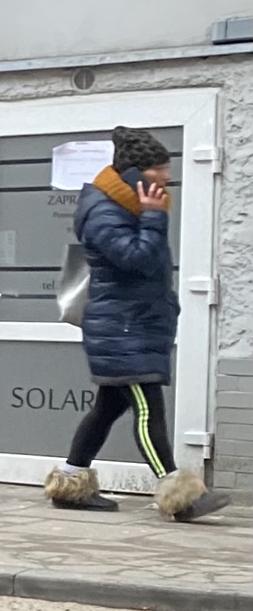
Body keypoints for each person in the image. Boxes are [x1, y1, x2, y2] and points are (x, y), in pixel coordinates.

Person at [43, 127, 228, 520]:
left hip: (131, 324)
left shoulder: (124, 206)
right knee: (148, 410)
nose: (167, 178)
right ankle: (181, 496)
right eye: (160, 171)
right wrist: (153, 218)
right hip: (121, 328)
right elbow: (137, 260)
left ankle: (71, 483)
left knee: (108, 408)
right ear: (136, 174)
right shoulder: (105, 211)